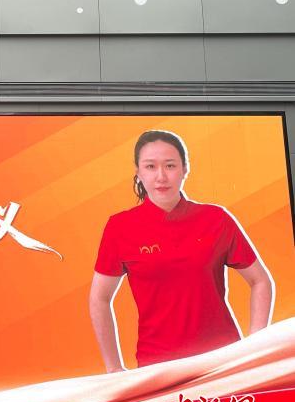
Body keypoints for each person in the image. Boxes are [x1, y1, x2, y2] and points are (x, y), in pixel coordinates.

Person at [89, 130, 274, 372]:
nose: (161, 176)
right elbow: (99, 298)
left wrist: (254, 349)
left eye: (170, 165)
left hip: (223, 361)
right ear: (138, 172)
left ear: (185, 169)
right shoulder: (120, 227)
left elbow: (260, 281)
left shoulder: (216, 219)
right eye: (150, 166)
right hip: (157, 367)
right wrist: (114, 368)